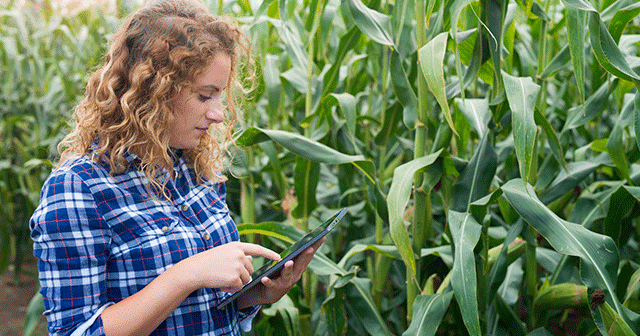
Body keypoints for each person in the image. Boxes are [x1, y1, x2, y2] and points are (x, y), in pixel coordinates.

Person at [29, 0, 324, 335]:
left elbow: (200, 308)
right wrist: (187, 274)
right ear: (153, 91)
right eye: (204, 96)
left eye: (220, 96)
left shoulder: (195, 168)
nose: (219, 114)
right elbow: (74, 331)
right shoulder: (79, 188)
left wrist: (258, 293)